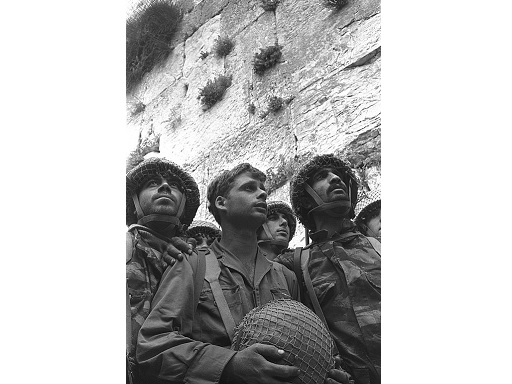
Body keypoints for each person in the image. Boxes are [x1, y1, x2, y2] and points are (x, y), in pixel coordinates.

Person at [136, 163, 352, 384]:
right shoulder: (190, 263)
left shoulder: (286, 276)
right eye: (249, 188)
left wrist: (326, 372)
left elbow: (310, 340)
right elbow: (154, 345)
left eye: (262, 190)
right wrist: (230, 365)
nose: (262, 193)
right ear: (221, 203)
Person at [274, 154, 381, 384]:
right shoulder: (294, 264)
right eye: (322, 177)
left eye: (339, 175)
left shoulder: (379, 245)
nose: (335, 179)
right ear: (307, 199)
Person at [126, 157, 200, 383]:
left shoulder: (197, 260)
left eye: (174, 185)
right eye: (152, 183)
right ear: (134, 200)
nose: (165, 186)